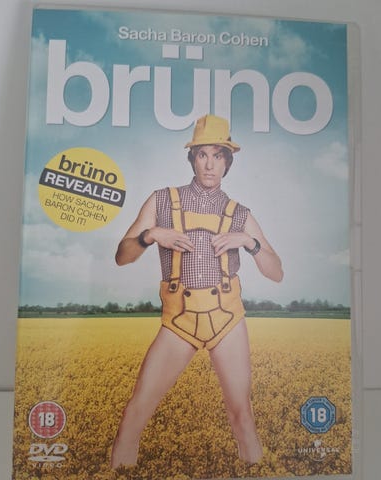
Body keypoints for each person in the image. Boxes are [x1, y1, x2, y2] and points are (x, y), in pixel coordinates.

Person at [110, 114, 283, 469]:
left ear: (228, 162)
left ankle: (257, 473)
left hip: (227, 320)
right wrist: (150, 235)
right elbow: (122, 257)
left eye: (218, 156)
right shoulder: (161, 201)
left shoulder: (240, 214)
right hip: (179, 321)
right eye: (203, 154)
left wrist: (247, 241)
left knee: (242, 414)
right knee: (137, 409)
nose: (210, 164)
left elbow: (276, 272)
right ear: (192, 158)